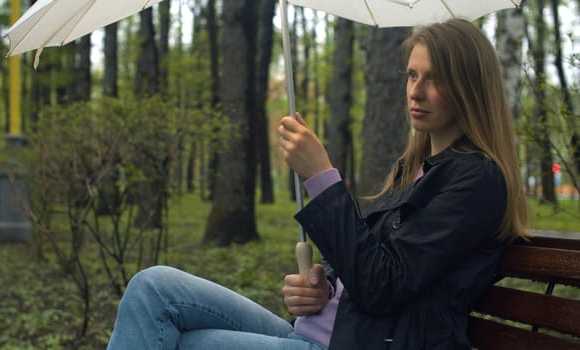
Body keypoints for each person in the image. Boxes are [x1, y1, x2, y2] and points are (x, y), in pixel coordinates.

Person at [106, 18, 528, 350]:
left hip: (349, 343)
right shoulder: (414, 168)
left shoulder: (477, 181)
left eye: (434, 78)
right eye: (411, 75)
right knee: (152, 286)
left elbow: (384, 285)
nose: (416, 92)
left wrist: (322, 178)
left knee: (173, 342)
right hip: (325, 331)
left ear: (470, 87)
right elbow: (373, 259)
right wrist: (323, 282)